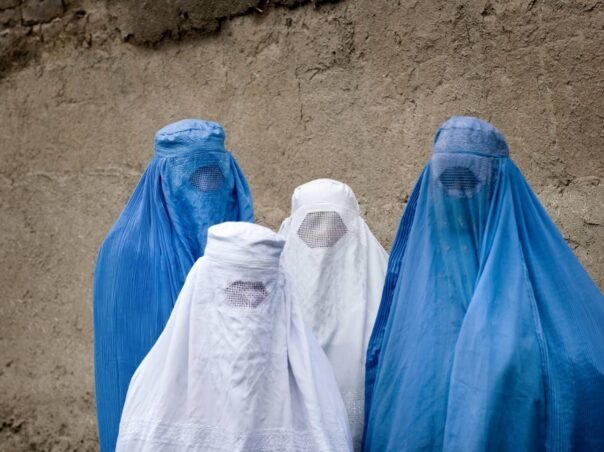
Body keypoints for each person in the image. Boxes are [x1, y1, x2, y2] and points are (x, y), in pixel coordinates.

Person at [363, 116, 604, 451]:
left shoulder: (535, 272)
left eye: (469, 181)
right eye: (447, 181)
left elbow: (598, 355)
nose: (458, 195)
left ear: (500, 182)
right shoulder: (417, 283)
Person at [116, 222, 353, 452]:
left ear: (282, 294)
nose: (246, 309)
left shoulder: (315, 401)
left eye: (258, 293)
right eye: (234, 293)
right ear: (201, 290)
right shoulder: (154, 400)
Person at [93, 119, 254, 452]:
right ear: (163, 179)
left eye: (214, 177)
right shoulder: (126, 252)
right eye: (194, 179)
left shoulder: (245, 250)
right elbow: (126, 366)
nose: (205, 191)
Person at [279, 179, 388, 450]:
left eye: (334, 227)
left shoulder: (385, 288)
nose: (322, 238)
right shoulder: (269, 293)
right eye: (310, 228)